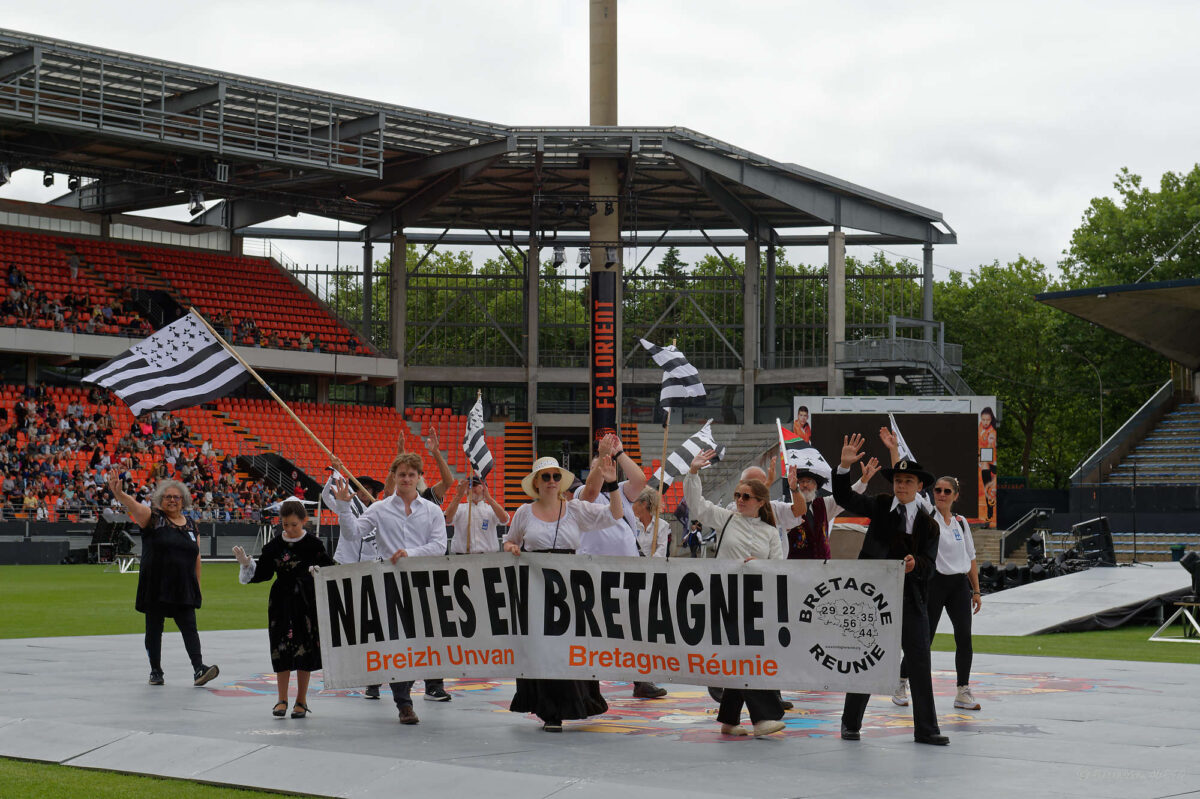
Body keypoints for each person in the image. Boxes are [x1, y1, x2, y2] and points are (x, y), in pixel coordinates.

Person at [833, 434, 948, 746]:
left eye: (908, 481)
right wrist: (844, 467)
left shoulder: (929, 525)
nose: (902, 485)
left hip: (912, 602)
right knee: (866, 659)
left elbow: (930, 565)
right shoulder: (881, 505)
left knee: (920, 664)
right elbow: (844, 497)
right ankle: (850, 723)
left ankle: (927, 729)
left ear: (919, 486)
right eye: (898, 480)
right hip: (873, 600)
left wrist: (915, 565)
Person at [502, 455, 623, 731]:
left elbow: (614, 515)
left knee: (568, 646)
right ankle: (549, 711)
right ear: (536, 482)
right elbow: (509, 541)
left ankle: (574, 703)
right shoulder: (523, 512)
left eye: (556, 476)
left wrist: (613, 484)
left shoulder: (576, 509)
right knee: (542, 647)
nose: (551, 481)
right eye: (545, 476)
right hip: (536, 588)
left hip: (570, 589)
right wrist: (512, 548)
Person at [331, 453, 449, 723]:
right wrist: (343, 508)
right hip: (388, 583)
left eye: (411, 474)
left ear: (419, 477)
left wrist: (410, 553)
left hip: (422, 583)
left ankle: (405, 691)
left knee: (420, 643)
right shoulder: (380, 509)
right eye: (401, 474)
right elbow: (352, 534)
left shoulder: (431, 510)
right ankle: (404, 703)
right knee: (395, 641)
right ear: (394, 477)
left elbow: (439, 545)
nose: (406, 479)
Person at [683, 449, 786, 737]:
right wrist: (693, 472)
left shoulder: (770, 532)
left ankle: (729, 720)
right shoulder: (726, 518)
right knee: (747, 656)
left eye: (746, 497)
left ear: (760, 502)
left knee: (741, 657)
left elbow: (779, 567)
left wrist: (760, 566)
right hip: (725, 598)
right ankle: (763, 718)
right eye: (737, 495)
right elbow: (697, 505)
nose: (739, 500)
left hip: (755, 602)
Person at [572, 434, 666, 699]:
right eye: (599, 465)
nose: (604, 468)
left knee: (635, 625)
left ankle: (642, 678)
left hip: (627, 569)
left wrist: (619, 453)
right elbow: (591, 491)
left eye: (607, 464)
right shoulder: (581, 494)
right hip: (593, 570)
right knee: (593, 626)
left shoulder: (621, 491)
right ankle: (588, 683)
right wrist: (603, 459)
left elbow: (640, 481)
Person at [106, 473, 219, 687]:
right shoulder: (153, 518)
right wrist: (120, 495)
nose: (172, 500)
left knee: (190, 628)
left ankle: (199, 668)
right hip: (156, 584)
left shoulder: (192, 525)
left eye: (176, 497)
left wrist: (197, 587)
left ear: (183, 500)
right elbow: (135, 506)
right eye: (168, 497)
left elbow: (196, 558)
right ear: (160, 499)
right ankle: (155, 671)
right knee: (154, 629)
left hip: (183, 586)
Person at [232, 500, 335, 719]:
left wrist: (318, 573)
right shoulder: (273, 546)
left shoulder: (314, 545)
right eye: (285, 524)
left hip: (306, 602)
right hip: (281, 602)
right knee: (281, 648)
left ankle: (301, 700)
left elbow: (329, 570)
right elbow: (264, 574)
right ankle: (281, 699)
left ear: (304, 521)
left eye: (293, 525)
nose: (289, 529)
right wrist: (247, 565)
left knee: (305, 649)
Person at [786, 459, 879, 561]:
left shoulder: (824, 504)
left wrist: (864, 479)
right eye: (801, 481)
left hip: (824, 567)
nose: (805, 485)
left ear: (816, 486)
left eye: (809, 481)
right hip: (797, 568)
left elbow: (846, 496)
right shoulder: (787, 509)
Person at [444, 473, 508, 554]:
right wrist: (458, 496)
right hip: (462, 557)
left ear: (483, 488)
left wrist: (489, 498)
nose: (470, 488)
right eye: (468, 486)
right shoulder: (459, 508)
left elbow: (504, 519)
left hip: (488, 557)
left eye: (474, 485)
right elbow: (447, 519)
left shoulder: (491, 509)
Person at [632, 488, 670, 558]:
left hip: (653, 564)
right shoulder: (631, 524)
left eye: (634, 502)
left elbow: (661, 552)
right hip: (633, 563)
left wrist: (649, 563)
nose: (632, 506)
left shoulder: (662, 525)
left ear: (644, 504)